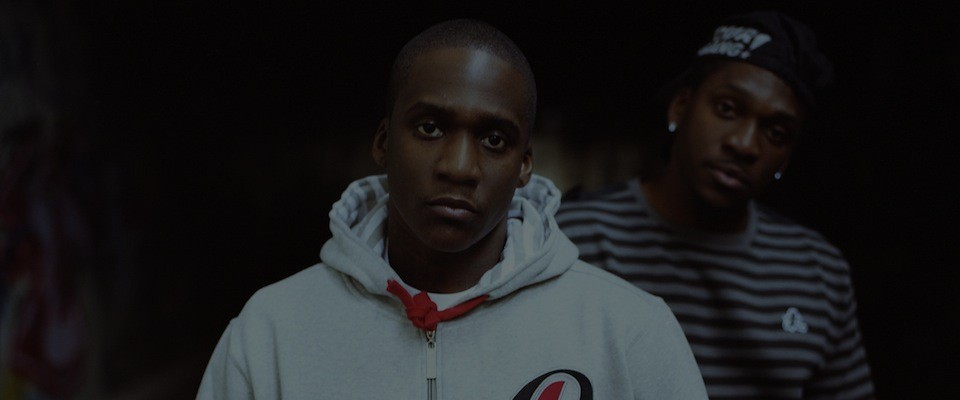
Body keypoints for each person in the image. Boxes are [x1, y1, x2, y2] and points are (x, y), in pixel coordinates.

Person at [197, 19, 707, 399]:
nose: (459, 167)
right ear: (383, 142)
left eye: (493, 139)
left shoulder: (627, 330)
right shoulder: (272, 330)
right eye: (430, 128)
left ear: (525, 165)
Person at [556, 11, 874, 399]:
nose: (744, 144)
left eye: (776, 132)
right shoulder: (572, 236)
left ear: (787, 158)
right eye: (727, 109)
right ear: (680, 107)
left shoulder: (818, 272)